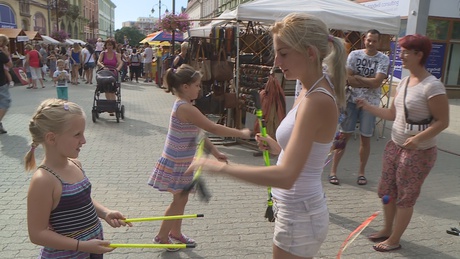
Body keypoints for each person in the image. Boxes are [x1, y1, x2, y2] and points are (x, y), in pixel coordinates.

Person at [185, 13, 346, 259]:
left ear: (310, 53)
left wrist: (221, 169)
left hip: (300, 215)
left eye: (283, 53)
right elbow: (306, 153)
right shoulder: (308, 87)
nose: (276, 62)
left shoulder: (317, 99)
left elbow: (286, 177)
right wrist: (278, 148)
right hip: (296, 210)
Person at [356, 34, 449, 252]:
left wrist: (417, 140)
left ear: (419, 55)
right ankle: (387, 229)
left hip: (419, 152)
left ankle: (394, 239)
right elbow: (392, 114)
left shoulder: (432, 86)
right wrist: (368, 107)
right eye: (401, 51)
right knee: (387, 191)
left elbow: (443, 121)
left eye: (405, 52)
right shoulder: (405, 81)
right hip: (395, 146)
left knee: (405, 198)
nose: (401, 56)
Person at [148, 64, 251, 250]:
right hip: (177, 162)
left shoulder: (188, 106)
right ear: (185, 87)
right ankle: (162, 236)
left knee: (182, 198)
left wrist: (215, 152)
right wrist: (241, 133)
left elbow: (199, 133)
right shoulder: (185, 108)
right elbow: (213, 128)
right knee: (178, 200)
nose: (200, 88)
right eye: (197, 85)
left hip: (184, 160)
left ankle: (175, 232)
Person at [24, 98, 132, 258]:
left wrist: (105, 212)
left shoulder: (76, 164)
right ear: (51, 138)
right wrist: (80, 245)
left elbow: (82, 200)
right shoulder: (44, 180)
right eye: (77, 135)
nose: (84, 140)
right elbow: (37, 233)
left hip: (91, 248)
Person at [328, 29, 390, 186]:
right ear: (364, 39)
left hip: (370, 104)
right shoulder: (354, 55)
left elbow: (377, 83)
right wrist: (366, 80)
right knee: (343, 136)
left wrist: (358, 78)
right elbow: (348, 79)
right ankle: (333, 171)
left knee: (365, 138)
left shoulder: (383, 59)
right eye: (369, 40)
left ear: (378, 42)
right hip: (351, 100)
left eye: (374, 41)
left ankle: (361, 173)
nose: (371, 43)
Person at [97, 38, 123, 103]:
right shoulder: (103, 53)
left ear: (113, 46)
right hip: (105, 72)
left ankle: (113, 106)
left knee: (112, 91)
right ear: (105, 46)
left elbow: (121, 63)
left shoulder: (116, 54)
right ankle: (109, 105)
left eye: (111, 45)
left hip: (113, 73)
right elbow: (98, 62)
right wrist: (103, 66)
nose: (109, 47)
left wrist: (117, 69)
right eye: (108, 45)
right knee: (106, 90)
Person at [0, 34, 13, 134]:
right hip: (1, 83)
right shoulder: (1, 53)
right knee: (5, 101)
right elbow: (10, 65)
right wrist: (6, 54)